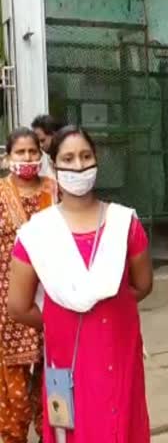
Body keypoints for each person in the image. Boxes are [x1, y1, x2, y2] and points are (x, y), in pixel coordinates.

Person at [7, 125, 153, 443]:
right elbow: (18, 306)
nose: (78, 165)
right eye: (69, 158)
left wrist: (108, 308)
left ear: (97, 161)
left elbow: (142, 285)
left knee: (121, 426)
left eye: (85, 156)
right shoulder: (37, 234)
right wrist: (59, 318)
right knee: (73, 430)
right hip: (68, 362)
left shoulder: (124, 223)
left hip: (119, 354)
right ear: (55, 166)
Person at [0, 127, 57, 443]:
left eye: (33, 152)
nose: (27, 158)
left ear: (41, 155)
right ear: (9, 156)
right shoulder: (0, 193)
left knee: (54, 382)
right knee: (14, 392)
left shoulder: (55, 191)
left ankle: (51, 434)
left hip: (52, 301)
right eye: (20, 152)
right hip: (10, 309)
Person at [31, 114, 63, 179]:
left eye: (42, 140)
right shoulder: (47, 159)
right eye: (38, 142)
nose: (40, 145)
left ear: (54, 135)